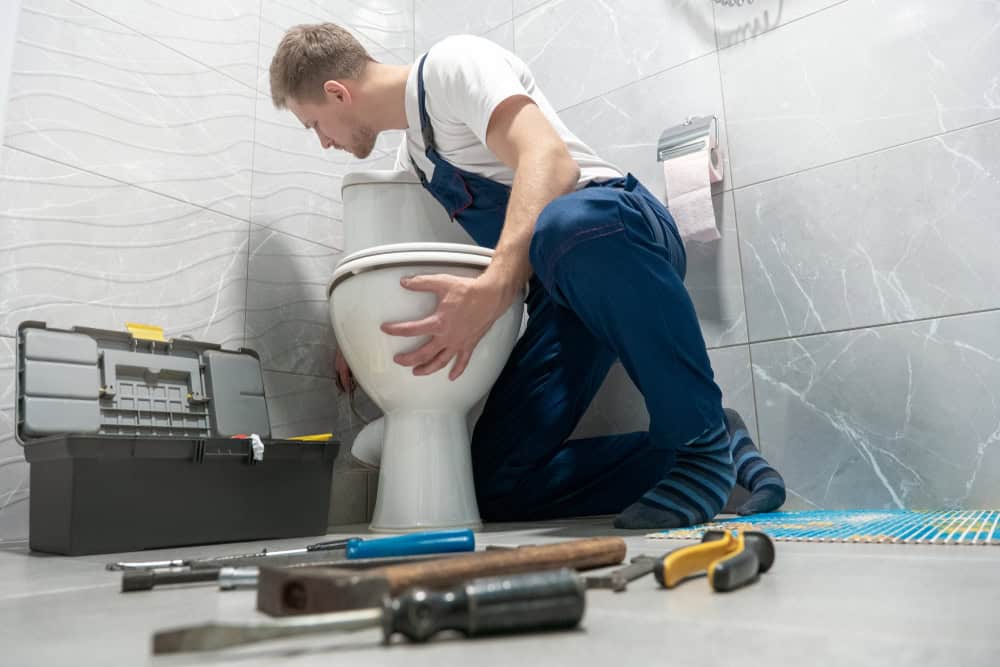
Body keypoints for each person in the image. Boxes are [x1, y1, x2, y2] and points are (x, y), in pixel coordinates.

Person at [269, 24, 786, 528]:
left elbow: (550, 162)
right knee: (496, 484)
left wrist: (494, 287)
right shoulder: (418, 159)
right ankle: (713, 446)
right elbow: (395, 244)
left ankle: (699, 445)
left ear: (337, 93)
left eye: (313, 124)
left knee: (565, 224)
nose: (322, 142)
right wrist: (360, 332)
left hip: (616, 231)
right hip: (560, 292)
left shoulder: (454, 66)